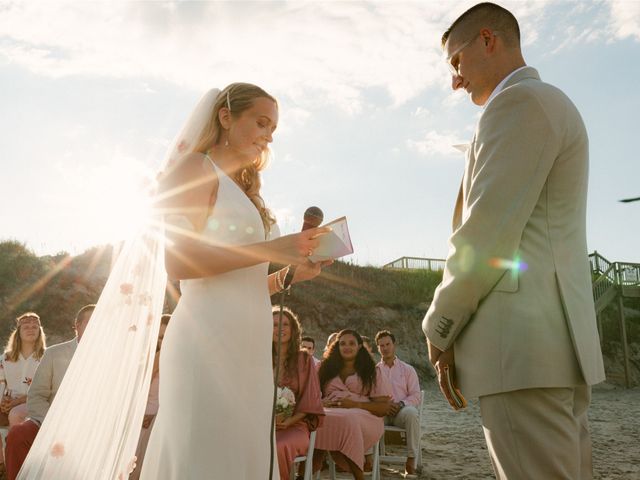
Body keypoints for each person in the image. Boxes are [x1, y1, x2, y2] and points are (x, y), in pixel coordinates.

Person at [422, 3, 605, 479]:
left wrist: (440, 326)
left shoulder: (519, 102)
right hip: (549, 348)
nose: (455, 81)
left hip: (520, 347)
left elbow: (486, 232)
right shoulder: (544, 103)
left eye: (456, 62)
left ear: (488, 39)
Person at [140, 83, 332, 479]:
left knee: (241, 456)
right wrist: (271, 249)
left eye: (273, 129)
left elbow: (242, 281)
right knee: (205, 453)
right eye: (260, 122)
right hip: (205, 338)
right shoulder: (194, 169)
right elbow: (177, 261)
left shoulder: (246, 192)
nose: (268, 135)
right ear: (226, 117)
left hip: (249, 347)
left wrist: (288, 274)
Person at [5, 305, 94, 480]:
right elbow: (36, 395)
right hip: (50, 421)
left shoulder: (110, 358)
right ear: (77, 325)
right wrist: (52, 425)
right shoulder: (54, 353)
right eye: (90, 323)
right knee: (17, 435)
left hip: (89, 426)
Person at [314, 330, 392, 480]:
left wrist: (354, 404)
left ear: (360, 346)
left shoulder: (372, 371)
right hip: (330, 412)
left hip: (364, 417)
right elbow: (312, 395)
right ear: (337, 347)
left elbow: (383, 408)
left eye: (351, 343)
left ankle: (359, 476)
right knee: (317, 416)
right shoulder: (324, 368)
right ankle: (308, 469)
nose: (347, 347)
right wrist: (320, 402)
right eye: (342, 343)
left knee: (349, 419)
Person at [272, 307, 324, 480]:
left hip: (295, 426)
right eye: (274, 324)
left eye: (285, 324)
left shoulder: (304, 360)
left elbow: (311, 400)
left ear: (293, 329)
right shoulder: (258, 357)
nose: (280, 328)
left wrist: (289, 421)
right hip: (261, 425)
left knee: (277, 447)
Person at [0, 313, 46, 477]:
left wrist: (17, 402)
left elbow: (46, 389)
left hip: (35, 403)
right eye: (26, 326)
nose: (31, 329)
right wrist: (3, 402)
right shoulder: (5, 358)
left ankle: (19, 465)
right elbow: (1, 382)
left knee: (16, 413)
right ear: (18, 332)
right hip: (8, 404)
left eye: (35, 327)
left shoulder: (46, 357)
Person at [130, 314, 171, 480]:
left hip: (159, 425)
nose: (164, 341)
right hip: (138, 422)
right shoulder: (147, 358)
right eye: (161, 337)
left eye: (168, 336)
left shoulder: (179, 362)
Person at [375, 330, 421, 477]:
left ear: (394, 345)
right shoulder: (374, 371)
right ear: (378, 348)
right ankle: (368, 459)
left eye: (388, 344)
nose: (385, 348)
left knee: (412, 413)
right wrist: (383, 406)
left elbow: (416, 396)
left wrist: (401, 404)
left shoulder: (408, 369)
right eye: (381, 345)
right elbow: (370, 396)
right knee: (365, 416)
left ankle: (411, 460)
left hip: (401, 411)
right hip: (382, 412)